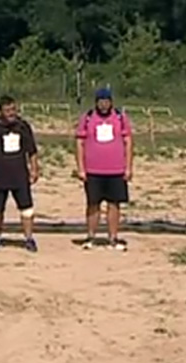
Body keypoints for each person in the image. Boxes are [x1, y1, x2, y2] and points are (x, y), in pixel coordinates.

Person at [75, 88, 134, 251]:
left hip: (116, 170)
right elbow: (79, 143)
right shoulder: (87, 118)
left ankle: (113, 238)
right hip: (93, 170)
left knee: (114, 204)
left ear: (111, 102)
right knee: (93, 204)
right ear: (96, 102)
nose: (103, 105)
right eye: (101, 101)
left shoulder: (120, 117)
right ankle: (91, 237)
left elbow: (128, 142)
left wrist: (128, 167)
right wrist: (81, 168)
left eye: (106, 101)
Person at [0, 95, 40, 252]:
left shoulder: (23, 126)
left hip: (20, 175)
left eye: (13, 109)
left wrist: (34, 169)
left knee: (27, 208)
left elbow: (32, 151)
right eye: (7, 110)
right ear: (0, 111)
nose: (11, 113)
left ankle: (29, 238)